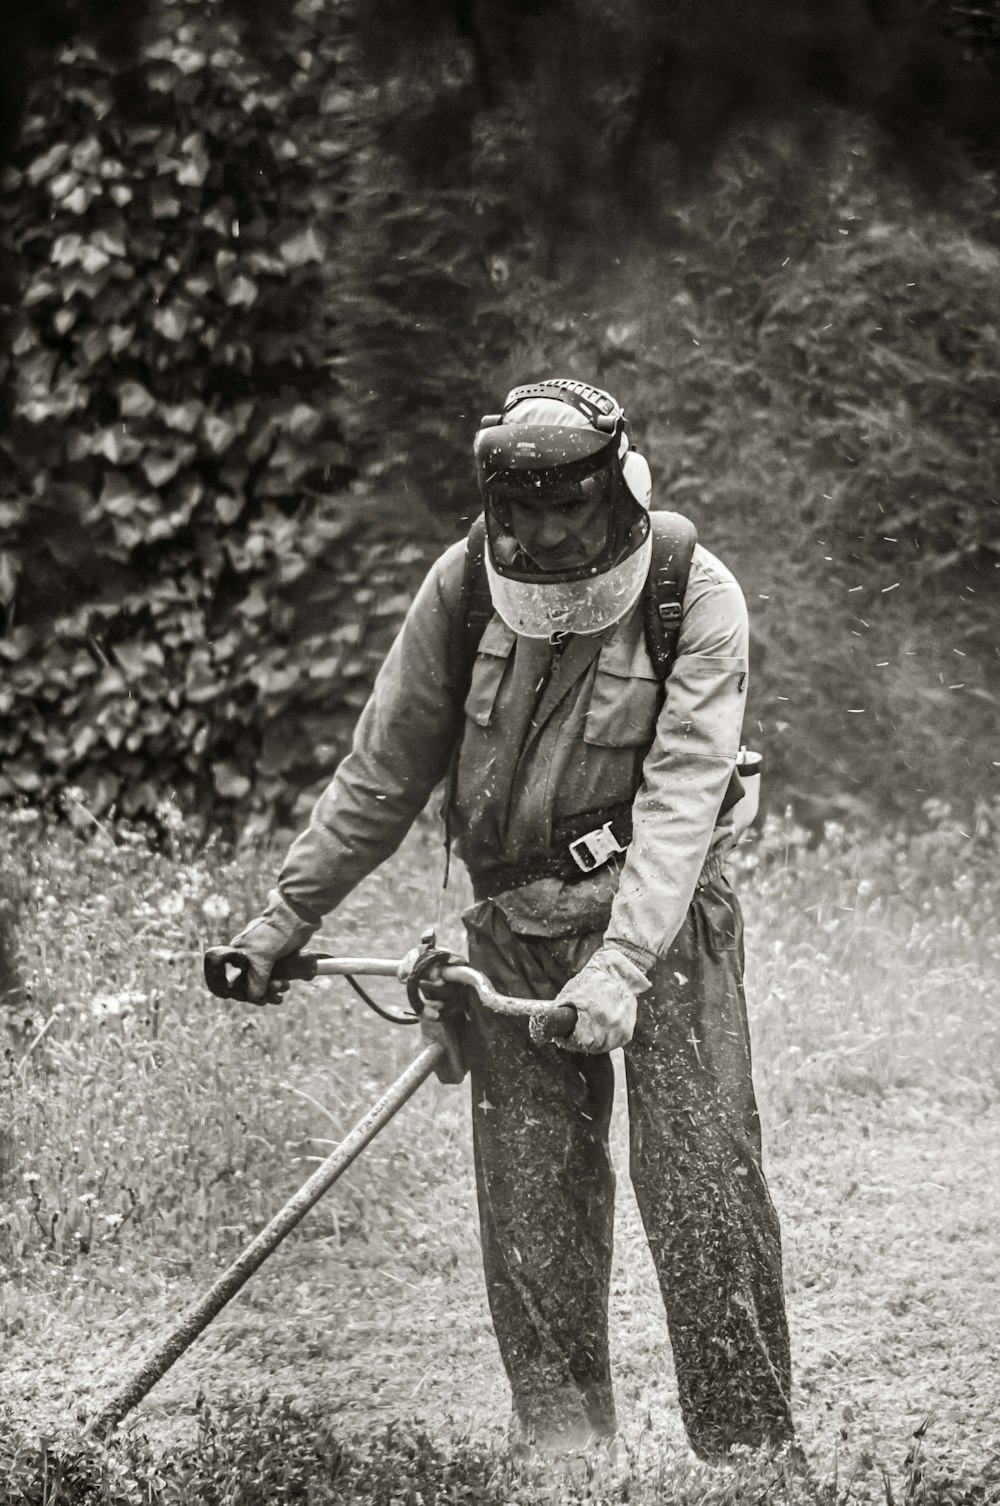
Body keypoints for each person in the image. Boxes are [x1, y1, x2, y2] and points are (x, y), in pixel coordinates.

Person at [215, 378, 793, 1464]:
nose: (539, 535)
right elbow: (382, 770)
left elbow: (679, 799)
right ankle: (565, 1452)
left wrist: (621, 963)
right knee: (532, 1201)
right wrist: (283, 919)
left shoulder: (691, 592)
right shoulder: (465, 585)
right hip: (513, 923)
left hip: (662, 922)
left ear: (617, 491)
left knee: (703, 1178)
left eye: (563, 510)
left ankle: (751, 1458)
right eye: (517, 513)